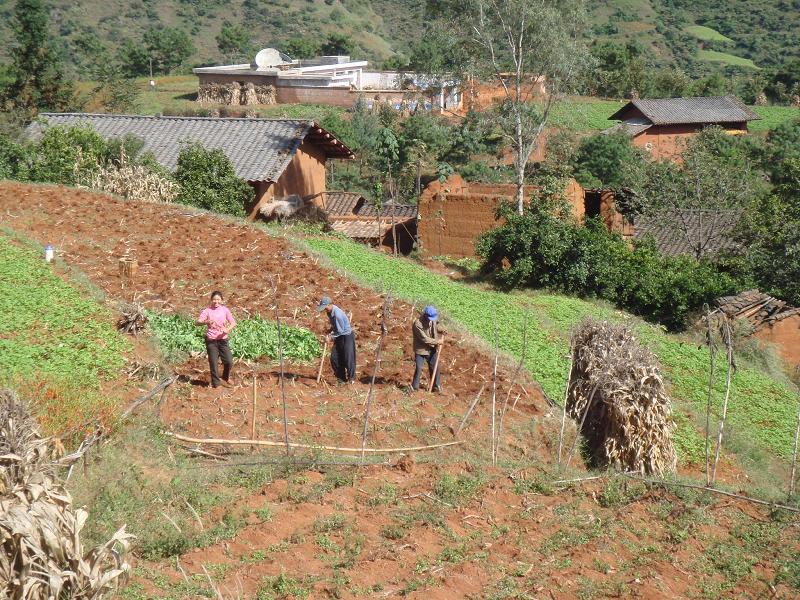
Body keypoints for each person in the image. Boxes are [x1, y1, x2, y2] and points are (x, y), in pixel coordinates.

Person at [197, 290, 237, 388]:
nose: (216, 301)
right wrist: (206, 322)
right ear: (211, 300)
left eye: (218, 299)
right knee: (213, 362)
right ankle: (216, 383)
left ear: (222, 300)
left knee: (229, 361)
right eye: (214, 299)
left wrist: (227, 330)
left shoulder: (225, 310)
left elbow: (233, 323)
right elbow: (197, 322)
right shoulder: (207, 311)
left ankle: (225, 377)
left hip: (223, 340)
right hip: (211, 340)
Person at [316, 296, 356, 383]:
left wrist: (330, 337)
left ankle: (351, 380)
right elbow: (336, 327)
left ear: (330, 304)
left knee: (348, 358)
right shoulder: (329, 312)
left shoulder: (337, 314)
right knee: (334, 357)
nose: (324, 309)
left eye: (325, 307)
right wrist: (330, 330)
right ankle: (341, 379)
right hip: (339, 336)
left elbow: (340, 331)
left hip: (346, 336)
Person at [411, 305, 444, 392]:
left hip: (431, 348)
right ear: (425, 315)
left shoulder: (432, 320)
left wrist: (442, 330)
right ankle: (414, 387)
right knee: (419, 368)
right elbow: (424, 339)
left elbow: (436, 326)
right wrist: (437, 341)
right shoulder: (417, 324)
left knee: (435, 367)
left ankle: (436, 387)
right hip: (421, 349)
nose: (431, 320)